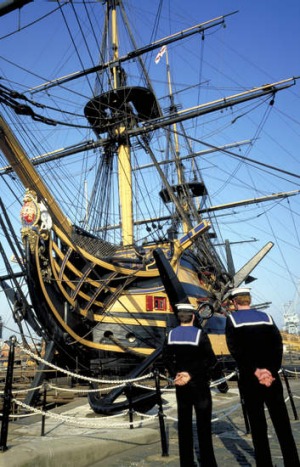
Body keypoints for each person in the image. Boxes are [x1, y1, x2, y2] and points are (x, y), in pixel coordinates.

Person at [225, 287, 300, 467]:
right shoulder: (267, 318)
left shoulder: (232, 320)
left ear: (235, 302)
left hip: (251, 380)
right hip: (271, 379)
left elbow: (236, 351)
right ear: (249, 300)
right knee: (282, 424)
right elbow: (277, 346)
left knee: (258, 427)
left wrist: (256, 371)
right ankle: (292, 462)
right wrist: (270, 371)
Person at [163, 303, 228, 467]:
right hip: (199, 385)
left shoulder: (171, 335)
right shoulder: (200, 335)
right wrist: (192, 374)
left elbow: (166, 358)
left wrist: (177, 374)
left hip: (181, 385)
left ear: (179, 317)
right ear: (193, 316)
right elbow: (209, 360)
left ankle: (186, 463)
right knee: (203, 426)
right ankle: (208, 463)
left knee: (184, 426)